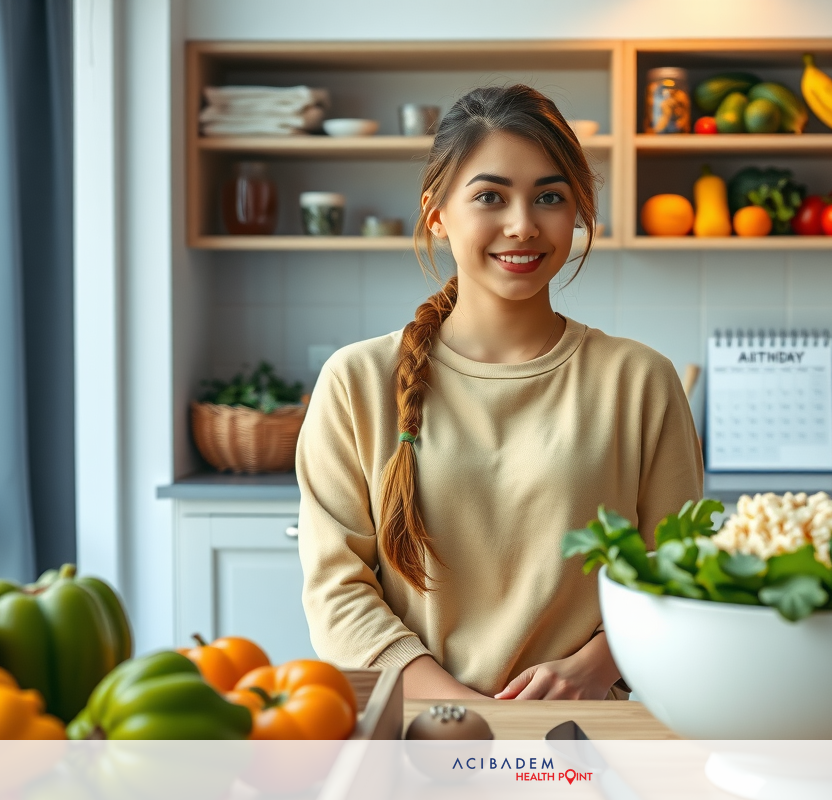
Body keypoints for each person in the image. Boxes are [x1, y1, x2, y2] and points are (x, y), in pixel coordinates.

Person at [296, 84, 703, 701]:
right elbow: (336, 591)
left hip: (584, 731)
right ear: (437, 213)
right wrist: (465, 713)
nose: (522, 225)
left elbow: (677, 570)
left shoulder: (640, 380)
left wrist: (594, 666)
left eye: (549, 197)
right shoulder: (356, 381)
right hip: (418, 730)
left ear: (578, 213)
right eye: (490, 196)